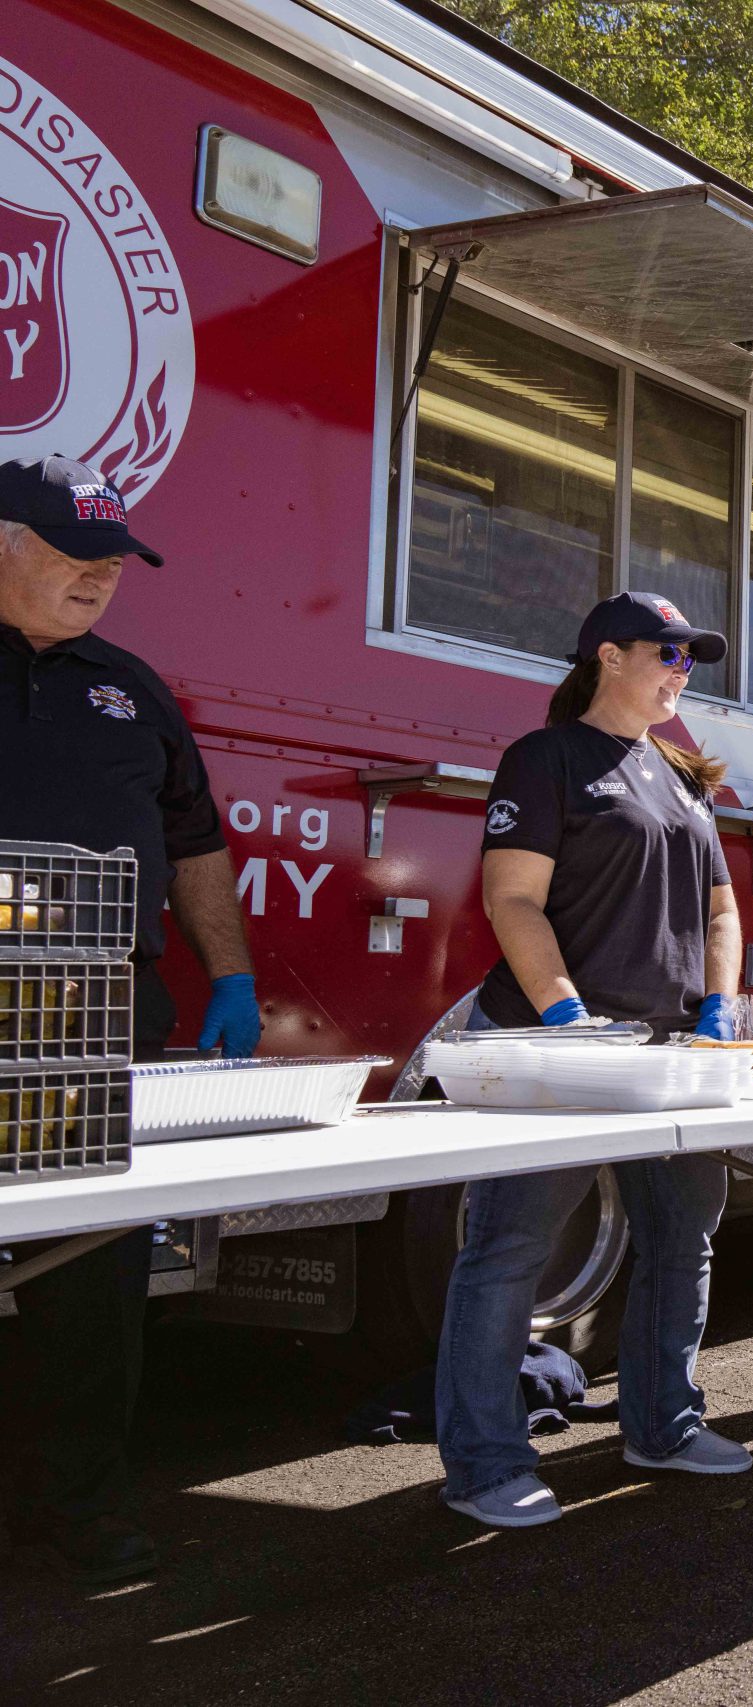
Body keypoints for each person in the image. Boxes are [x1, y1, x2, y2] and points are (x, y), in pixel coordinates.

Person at [436, 592, 750, 1529]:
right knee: (509, 1251)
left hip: (665, 1052)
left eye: (691, 657)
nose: (681, 669)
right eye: (668, 651)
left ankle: (663, 1424)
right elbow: (513, 900)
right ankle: (486, 1464)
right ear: (608, 656)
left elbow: (723, 910)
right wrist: (568, 1016)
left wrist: (719, 1007)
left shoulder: (684, 773)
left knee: (682, 1236)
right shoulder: (546, 759)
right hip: (555, 1049)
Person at [0, 455, 261, 1583]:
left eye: (114, 557)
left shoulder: (132, 688)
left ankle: (80, 1509)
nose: (101, 573)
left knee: (90, 1278)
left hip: (96, 1016)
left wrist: (229, 978)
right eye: (73, 550)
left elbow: (194, 842)